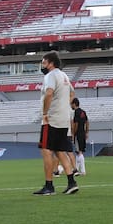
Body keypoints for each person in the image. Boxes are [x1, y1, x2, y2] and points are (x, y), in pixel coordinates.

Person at [33, 51, 79, 196]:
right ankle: (72, 182)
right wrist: (64, 106)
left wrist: (45, 113)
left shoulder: (50, 76)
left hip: (51, 119)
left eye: (44, 62)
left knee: (46, 150)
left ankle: (49, 185)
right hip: (63, 119)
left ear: (50, 63)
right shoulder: (64, 75)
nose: (42, 65)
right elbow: (72, 93)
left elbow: (49, 93)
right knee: (60, 151)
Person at [71, 98, 89, 176]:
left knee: (79, 152)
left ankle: (83, 170)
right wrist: (87, 132)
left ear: (74, 104)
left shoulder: (76, 112)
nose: (71, 106)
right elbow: (87, 122)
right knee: (78, 151)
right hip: (83, 133)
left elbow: (76, 124)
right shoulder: (83, 112)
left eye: (71, 104)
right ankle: (76, 169)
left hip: (78, 134)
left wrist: (73, 133)